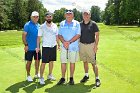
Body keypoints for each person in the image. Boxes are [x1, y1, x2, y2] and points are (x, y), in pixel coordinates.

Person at [57, 9, 81, 85]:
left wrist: (69, 42)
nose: (68, 15)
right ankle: (63, 78)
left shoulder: (77, 23)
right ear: (65, 15)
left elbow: (78, 35)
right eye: (67, 14)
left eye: (70, 14)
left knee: (72, 62)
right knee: (63, 62)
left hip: (73, 46)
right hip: (64, 46)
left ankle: (71, 78)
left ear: (73, 15)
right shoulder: (62, 23)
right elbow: (59, 35)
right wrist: (64, 42)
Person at [36, 12, 60, 85]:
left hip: (53, 46)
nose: (49, 18)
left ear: (52, 17)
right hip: (46, 47)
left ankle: (50, 75)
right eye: (47, 17)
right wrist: (37, 47)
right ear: (45, 18)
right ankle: (41, 78)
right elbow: (38, 37)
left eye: (50, 17)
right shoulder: (42, 26)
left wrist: (58, 44)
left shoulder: (55, 26)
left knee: (51, 61)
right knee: (43, 63)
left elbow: (57, 36)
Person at [79, 9, 101, 87]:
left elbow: (97, 35)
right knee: (84, 61)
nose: (86, 16)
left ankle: (97, 78)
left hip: (91, 45)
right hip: (82, 45)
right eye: (84, 14)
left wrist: (96, 46)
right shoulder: (80, 24)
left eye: (87, 14)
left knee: (93, 63)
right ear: (82, 16)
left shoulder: (93, 24)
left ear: (90, 15)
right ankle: (86, 75)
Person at [22, 11, 41, 82]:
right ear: (31, 17)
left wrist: (38, 46)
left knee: (37, 61)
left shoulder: (39, 25)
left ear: (38, 17)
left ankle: (36, 73)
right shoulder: (27, 25)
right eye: (34, 16)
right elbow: (23, 36)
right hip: (29, 48)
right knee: (29, 62)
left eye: (37, 16)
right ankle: (28, 75)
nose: (35, 18)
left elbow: (39, 37)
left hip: (37, 48)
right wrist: (26, 45)